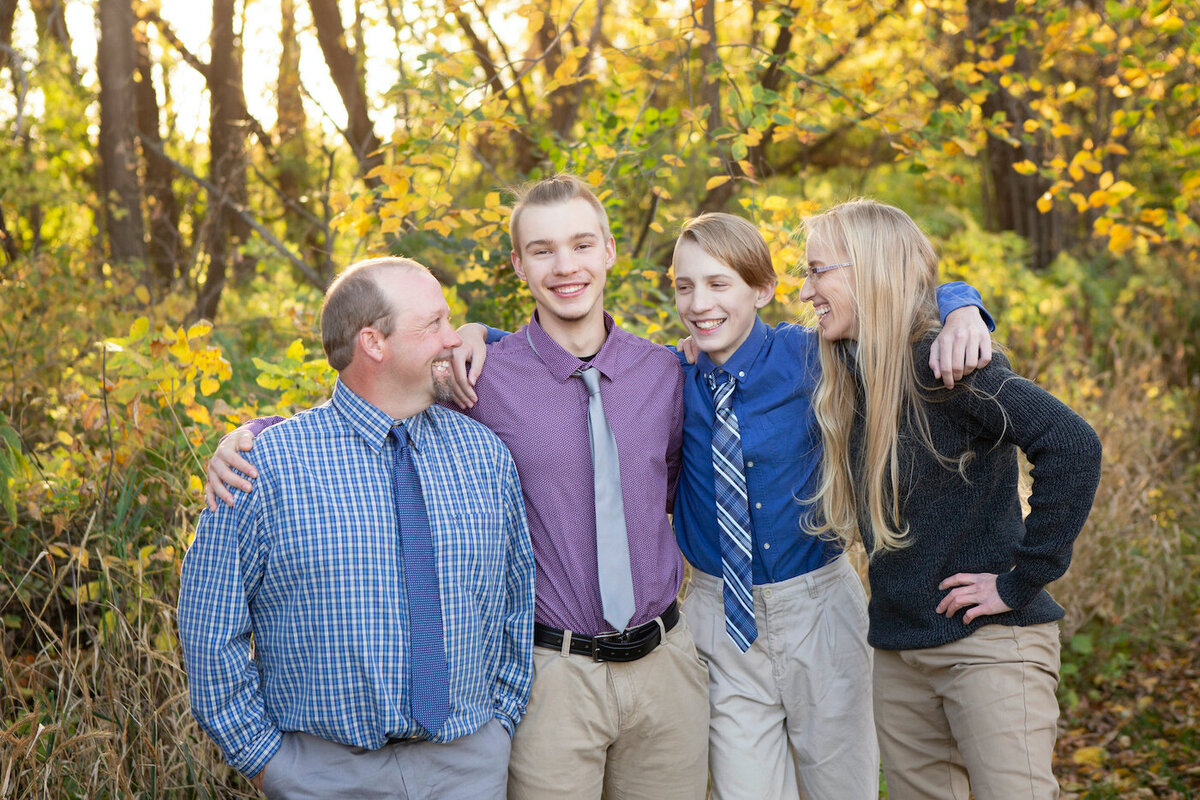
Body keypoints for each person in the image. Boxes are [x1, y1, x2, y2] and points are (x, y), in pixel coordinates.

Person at [204, 176, 709, 800]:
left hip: (661, 662)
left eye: (582, 244)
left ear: (610, 250)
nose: (566, 265)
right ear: (518, 265)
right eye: (543, 250)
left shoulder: (664, 371)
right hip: (556, 673)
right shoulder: (480, 378)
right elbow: (368, 404)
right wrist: (252, 434)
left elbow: (682, 486)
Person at [179, 258, 536, 800]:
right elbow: (209, 626)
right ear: (373, 342)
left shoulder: (483, 454)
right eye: (433, 324)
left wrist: (499, 724)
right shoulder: (265, 468)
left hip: (469, 766)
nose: (453, 338)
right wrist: (265, 760)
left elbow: (516, 598)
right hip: (323, 775)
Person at [669, 212, 992, 799]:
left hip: (817, 606)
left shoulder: (814, 353)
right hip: (718, 618)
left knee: (843, 785)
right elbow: (575, 354)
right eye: (684, 286)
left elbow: (894, 299)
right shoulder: (668, 375)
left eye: (719, 284)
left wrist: (961, 305)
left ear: (762, 289)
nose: (699, 303)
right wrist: (475, 336)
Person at [798, 199, 1102, 800]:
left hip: (989, 646)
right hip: (899, 649)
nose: (806, 291)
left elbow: (1072, 444)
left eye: (816, 271)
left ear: (867, 269)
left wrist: (1022, 579)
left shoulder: (949, 366)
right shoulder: (845, 371)